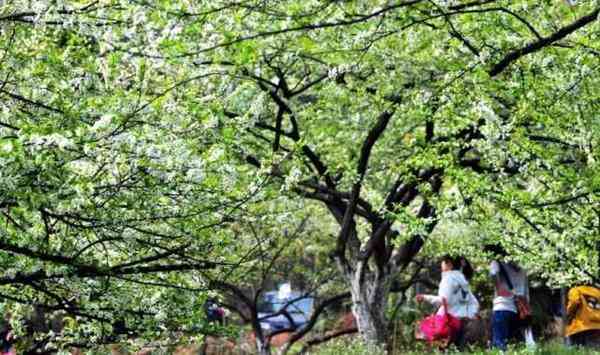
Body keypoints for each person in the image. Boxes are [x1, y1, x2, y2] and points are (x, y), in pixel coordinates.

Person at [416, 255, 479, 346]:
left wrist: (425, 297)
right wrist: (470, 314)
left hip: (448, 323)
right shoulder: (463, 281)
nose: (441, 264)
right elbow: (474, 302)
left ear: (449, 264)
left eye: (443, 262)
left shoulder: (448, 278)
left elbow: (444, 300)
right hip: (462, 323)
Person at [486, 245, 533, 351]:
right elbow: (526, 292)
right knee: (516, 346)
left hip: (502, 307)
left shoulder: (496, 263)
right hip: (519, 311)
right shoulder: (522, 267)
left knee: (499, 345)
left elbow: (497, 282)